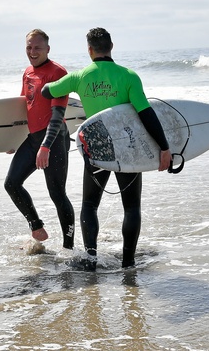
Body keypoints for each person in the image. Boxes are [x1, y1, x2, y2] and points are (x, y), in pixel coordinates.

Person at [42, 27, 171, 270]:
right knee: (131, 206)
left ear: (89, 50)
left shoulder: (80, 77)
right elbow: (146, 115)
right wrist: (164, 148)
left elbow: (46, 91)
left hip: (97, 147)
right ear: (111, 47)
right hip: (127, 147)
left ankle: (91, 258)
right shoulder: (129, 76)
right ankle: (128, 262)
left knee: (90, 205)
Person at [3, 29, 76, 249]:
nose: (32, 52)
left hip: (53, 139)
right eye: (28, 47)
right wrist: (13, 139)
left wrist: (45, 146)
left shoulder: (57, 72)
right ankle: (36, 225)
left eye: (37, 48)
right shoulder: (27, 72)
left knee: (57, 193)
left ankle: (69, 247)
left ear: (47, 49)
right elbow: (26, 106)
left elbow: (57, 115)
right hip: (33, 138)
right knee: (12, 184)